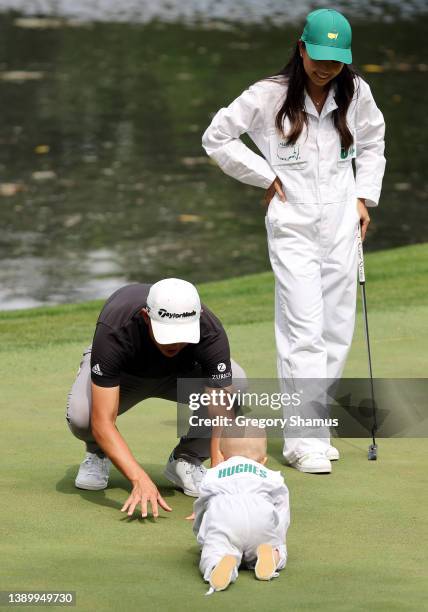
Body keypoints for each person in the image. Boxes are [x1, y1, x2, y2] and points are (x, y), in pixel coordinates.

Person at [201, 8, 386, 474]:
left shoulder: (356, 91)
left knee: (336, 330)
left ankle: (317, 427)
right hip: (293, 226)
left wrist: (364, 195)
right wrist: (263, 175)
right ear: (301, 47)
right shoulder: (269, 95)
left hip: (343, 222)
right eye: (318, 56)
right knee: (303, 330)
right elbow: (217, 138)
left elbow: (374, 141)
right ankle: (303, 442)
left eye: (336, 59)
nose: (326, 67)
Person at [66, 278, 247, 517]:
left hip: (181, 376)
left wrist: (217, 475)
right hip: (125, 376)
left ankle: (187, 459)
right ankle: (98, 452)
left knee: (238, 386)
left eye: (182, 333)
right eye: (168, 333)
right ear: (145, 316)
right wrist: (139, 478)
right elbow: (103, 421)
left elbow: (220, 411)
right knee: (83, 416)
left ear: (198, 316)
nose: (175, 342)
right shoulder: (116, 326)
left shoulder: (210, 329)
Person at [193, 423, 290, 593]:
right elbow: (282, 510)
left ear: (221, 455)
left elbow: (201, 508)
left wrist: (203, 539)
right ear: (264, 460)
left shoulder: (212, 475)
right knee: (277, 548)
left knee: (214, 552)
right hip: (260, 516)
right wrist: (278, 539)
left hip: (225, 516)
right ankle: (270, 556)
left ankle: (219, 566)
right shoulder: (271, 476)